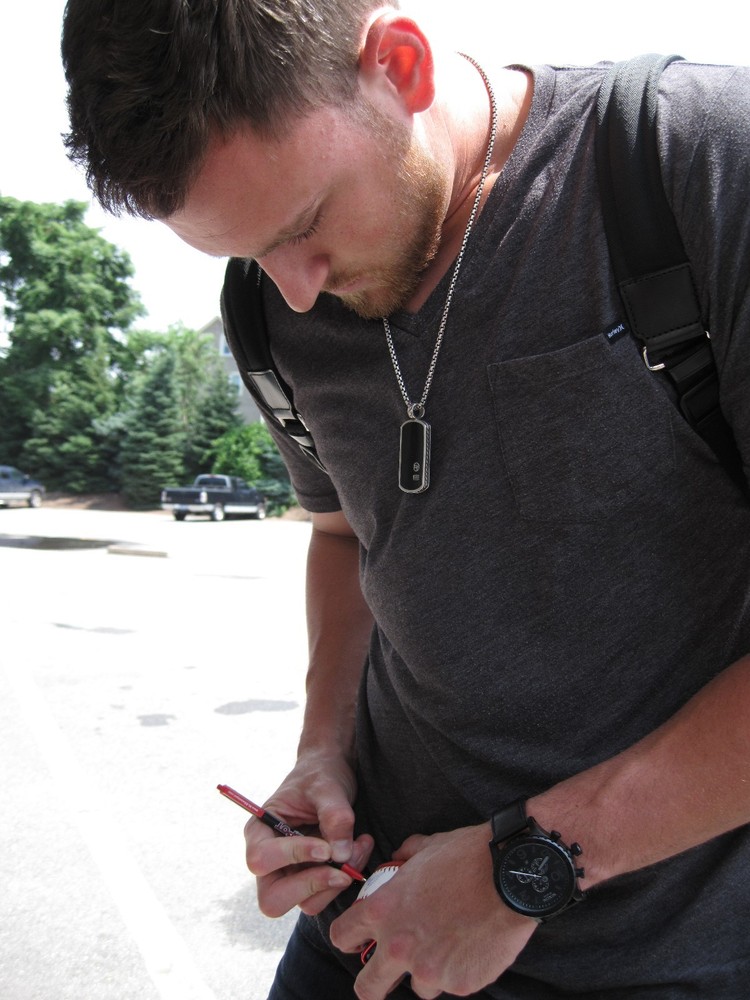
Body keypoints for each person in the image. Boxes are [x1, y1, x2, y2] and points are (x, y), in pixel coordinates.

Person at [61, 2, 750, 997]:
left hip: (663, 955)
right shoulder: (272, 309)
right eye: (250, 255)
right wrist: (322, 752)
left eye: (303, 225)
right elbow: (346, 534)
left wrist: (528, 870)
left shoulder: (694, 166)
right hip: (372, 924)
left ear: (400, 62)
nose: (297, 293)